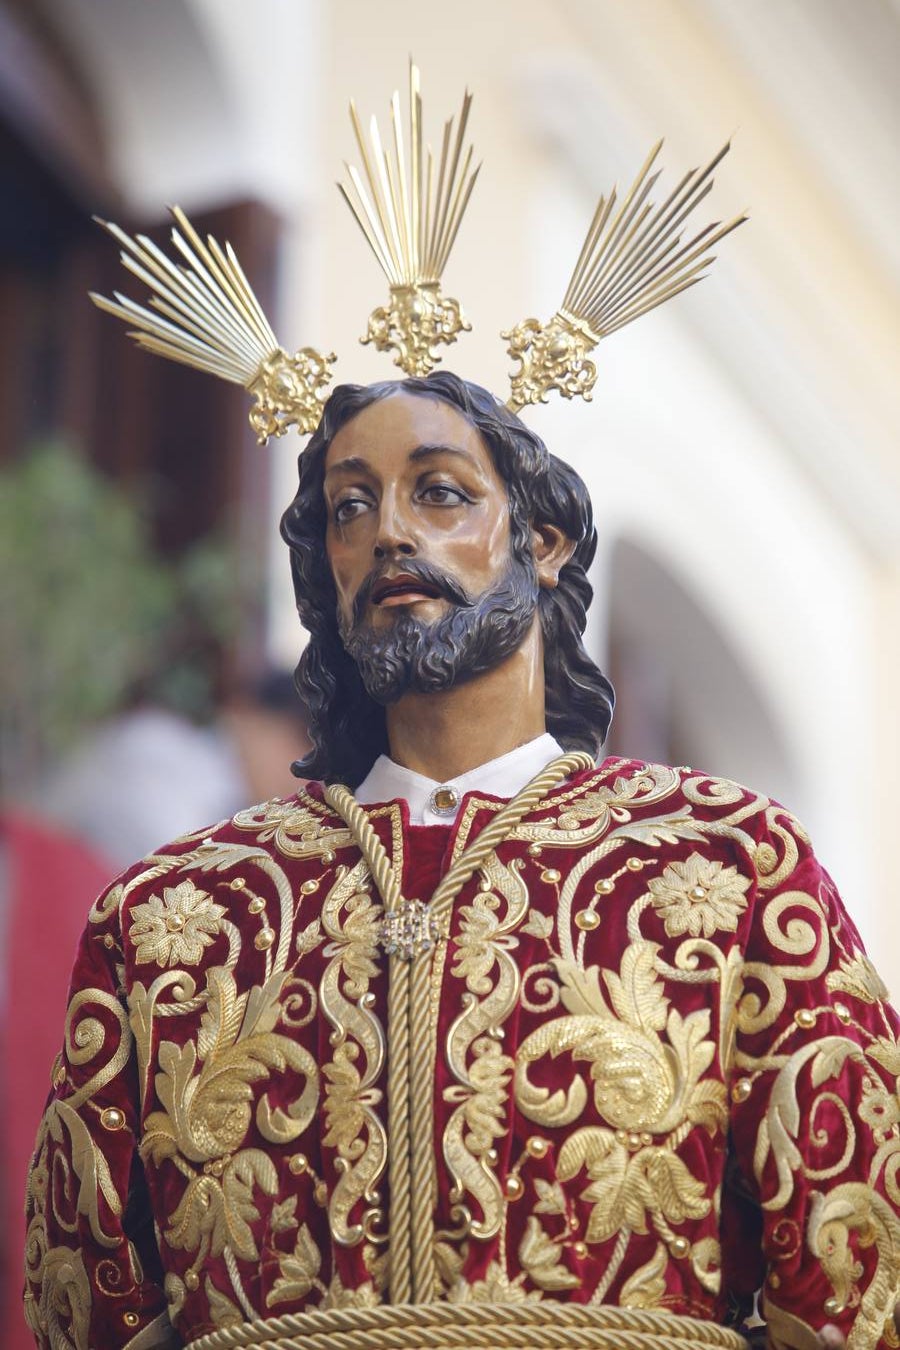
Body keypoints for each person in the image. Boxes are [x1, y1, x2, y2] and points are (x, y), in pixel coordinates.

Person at [23, 371, 900, 1350]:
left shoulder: (733, 866)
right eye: (351, 507)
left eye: (439, 490)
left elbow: (856, 1269)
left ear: (545, 543)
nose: (391, 530)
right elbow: (88, 1295)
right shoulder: (175, 913)